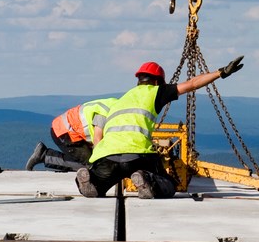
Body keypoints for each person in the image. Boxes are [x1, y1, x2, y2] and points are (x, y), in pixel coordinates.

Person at [76, 56, 244, 199]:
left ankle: (92, 181)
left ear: (139, 80)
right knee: (168, 184)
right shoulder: (155, 91)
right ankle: (147, 180)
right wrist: (220, 72)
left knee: (100, 185)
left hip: (107, 156)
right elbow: (192, 84)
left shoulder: (122, 99)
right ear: (157, 81)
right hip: (137, 154)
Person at [25, 97, 117, 172]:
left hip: (69, 130)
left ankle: (43, 154)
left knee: (94, 162)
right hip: (65, 132)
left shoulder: (115, 105)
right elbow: (97, 140)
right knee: (93, 166)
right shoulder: (107, 113)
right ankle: (44, 156)